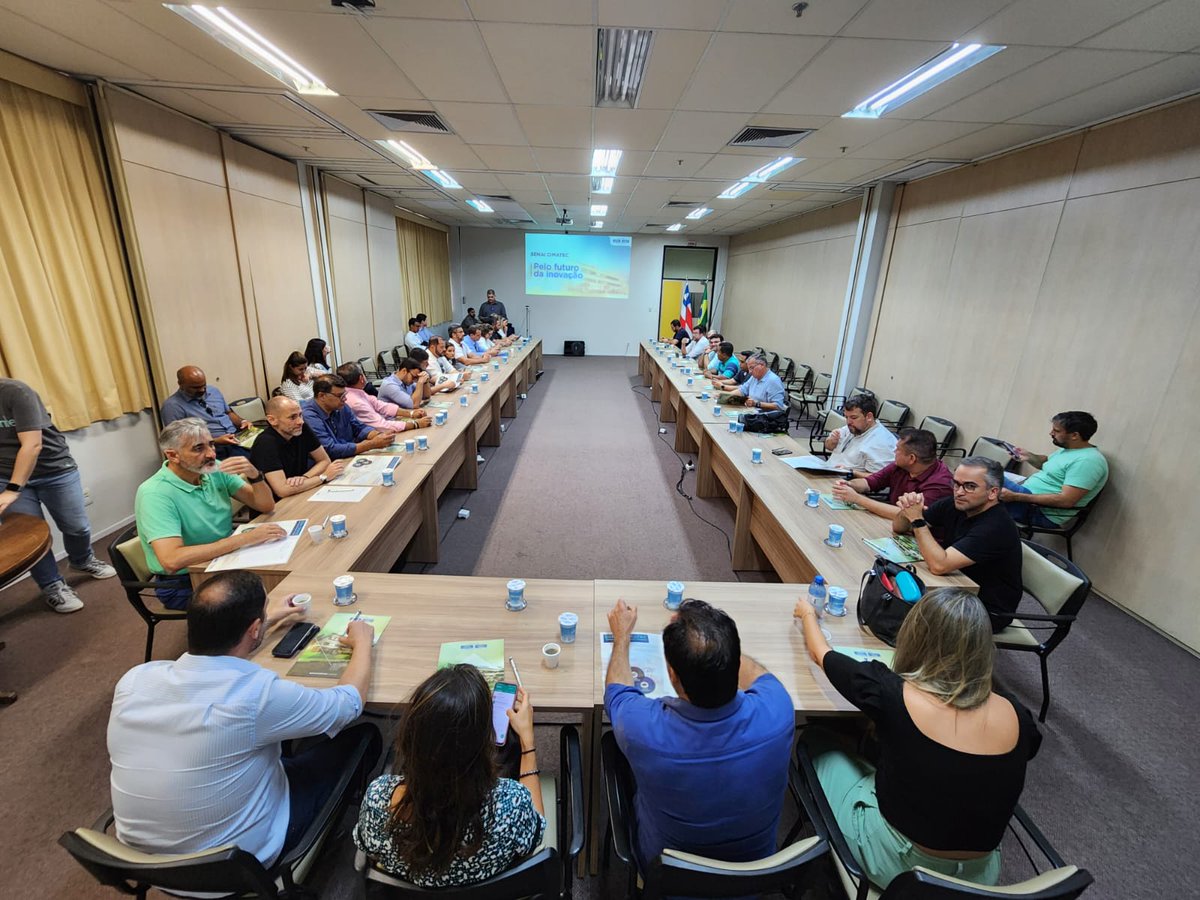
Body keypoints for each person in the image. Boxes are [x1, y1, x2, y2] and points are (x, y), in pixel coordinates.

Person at [108, 570, 381, 866]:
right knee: (365, 737)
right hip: (236, 865)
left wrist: (265, 620)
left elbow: (214, 664)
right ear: (253, 629)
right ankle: (322, 844)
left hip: (144, 864)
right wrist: (363, 642)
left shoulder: (134, 680)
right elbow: (347, 704)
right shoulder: (257, 695)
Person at [794, 587, 1041, 890]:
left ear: (916, 635)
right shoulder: (1016, 715)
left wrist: (808, 614)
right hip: (980, 879)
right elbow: (1025, 749)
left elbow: (824, 655)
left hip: (901, 871)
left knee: (816, 739)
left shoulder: (892, 694)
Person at [605, 597, 794, 872]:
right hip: (755, 876)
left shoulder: (642, 730)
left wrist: (621, 636)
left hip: (667, 878)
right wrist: (716, 645)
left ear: (672, 675)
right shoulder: (779, 708)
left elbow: (617, 691)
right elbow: (756, 672)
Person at [354, 665, 546, 887]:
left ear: (410, 737)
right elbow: (537, 832)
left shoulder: (377, 801)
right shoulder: (513, 806)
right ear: (485, 744)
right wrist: (527, 741)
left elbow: (372, 854)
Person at [134, 418, 279, 609]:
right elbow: (171, 560)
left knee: (283, 576)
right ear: (173, 455)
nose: (211, 454)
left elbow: (265, 505)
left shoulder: (213, 469)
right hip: (184, 581)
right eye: (198, 448)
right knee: (263, 599)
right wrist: (243, 539)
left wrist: (254, 475)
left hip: (223, 561)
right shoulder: (155, 494)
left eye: (211, 444)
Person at [0, 377, 115, 613]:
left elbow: (32, 445)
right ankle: (52, 586)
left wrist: (13, 489)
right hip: (5, 473)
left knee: (77, 527)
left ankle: (82, 560)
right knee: (29, 538)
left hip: (54, 469)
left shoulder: (16, 392)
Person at [893, 456, 1023, 631]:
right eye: (956, 484)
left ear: (993, 492)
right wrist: (907, 509)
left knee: (898, 614)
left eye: (970, 486)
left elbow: (939, 565)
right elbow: (900, 528)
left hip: (983, 609)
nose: (959, 492)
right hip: (955, 588)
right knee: (889, 589)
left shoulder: (996, 526)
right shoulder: (957, 504)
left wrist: (916, 520)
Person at [1000, 411, 1109, 528]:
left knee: (985, 473)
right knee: (985, 474)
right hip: (1025, 496)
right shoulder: (1070, 449)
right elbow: (1047, 464)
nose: (1051, 433)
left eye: (1056, 431)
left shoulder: (1087, 461)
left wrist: (1016, 496)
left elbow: (1066, 500)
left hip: (1037, 511)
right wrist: (1029, 456)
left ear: (1074, 435)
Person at [832, 428, 954, 526]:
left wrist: (858, 499)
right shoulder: (900, 466)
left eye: (897, 450)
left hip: (916, 535)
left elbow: (909, 515)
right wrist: (849, 485)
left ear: (911, 458)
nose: (894, 452)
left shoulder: (940, 484)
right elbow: (872, 482)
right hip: (889, 522)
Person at [250, 397, 345, 499]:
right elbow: (282, 490)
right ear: (272, 420)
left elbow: (324, 460)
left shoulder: (301, 428)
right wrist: (323, 477)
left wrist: (305, 477)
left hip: (301, 491)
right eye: (292, 417)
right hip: (277, 505)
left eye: (300, 415)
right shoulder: (265, 443)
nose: (300, 421)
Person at [160, 366, 252, 460]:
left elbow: (228, 413)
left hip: (237, 436)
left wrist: (242, 422)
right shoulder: (172, 406)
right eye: (195, 387)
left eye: (204, 385)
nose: (202, 390)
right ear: (180, 384)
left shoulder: (213, 391)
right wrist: (214, 441)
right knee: (247, 462)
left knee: (263, 449)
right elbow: (178, 439)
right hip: (211, 447)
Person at [301, 376, 395, 460]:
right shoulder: (309, 416)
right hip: (331, 465)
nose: (345, 399)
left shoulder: (340, 406)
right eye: (340, 396)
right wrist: (372, 444)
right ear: (322, 396)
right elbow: (330, 449)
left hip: (348, 457)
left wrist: (379, 435)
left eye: (345, 394)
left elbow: (359, 427)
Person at [338, 362, 428, 432]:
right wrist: (415, 424)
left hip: (382, 427)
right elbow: (381, 425)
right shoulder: (356, 401)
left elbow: (381, 405)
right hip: (375, 433)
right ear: (361, 378)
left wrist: (410, 414)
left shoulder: (357, 392)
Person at [825, 394, 897, 473]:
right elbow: (829, 446)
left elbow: (879, 479)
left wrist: (852, 472)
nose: (848, 422)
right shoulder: (853, 427)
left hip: (847, 481)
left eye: (853, 417)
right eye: (846, 417)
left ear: (869, 417)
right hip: (829, 471)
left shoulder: (881, 443)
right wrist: (832, 441)